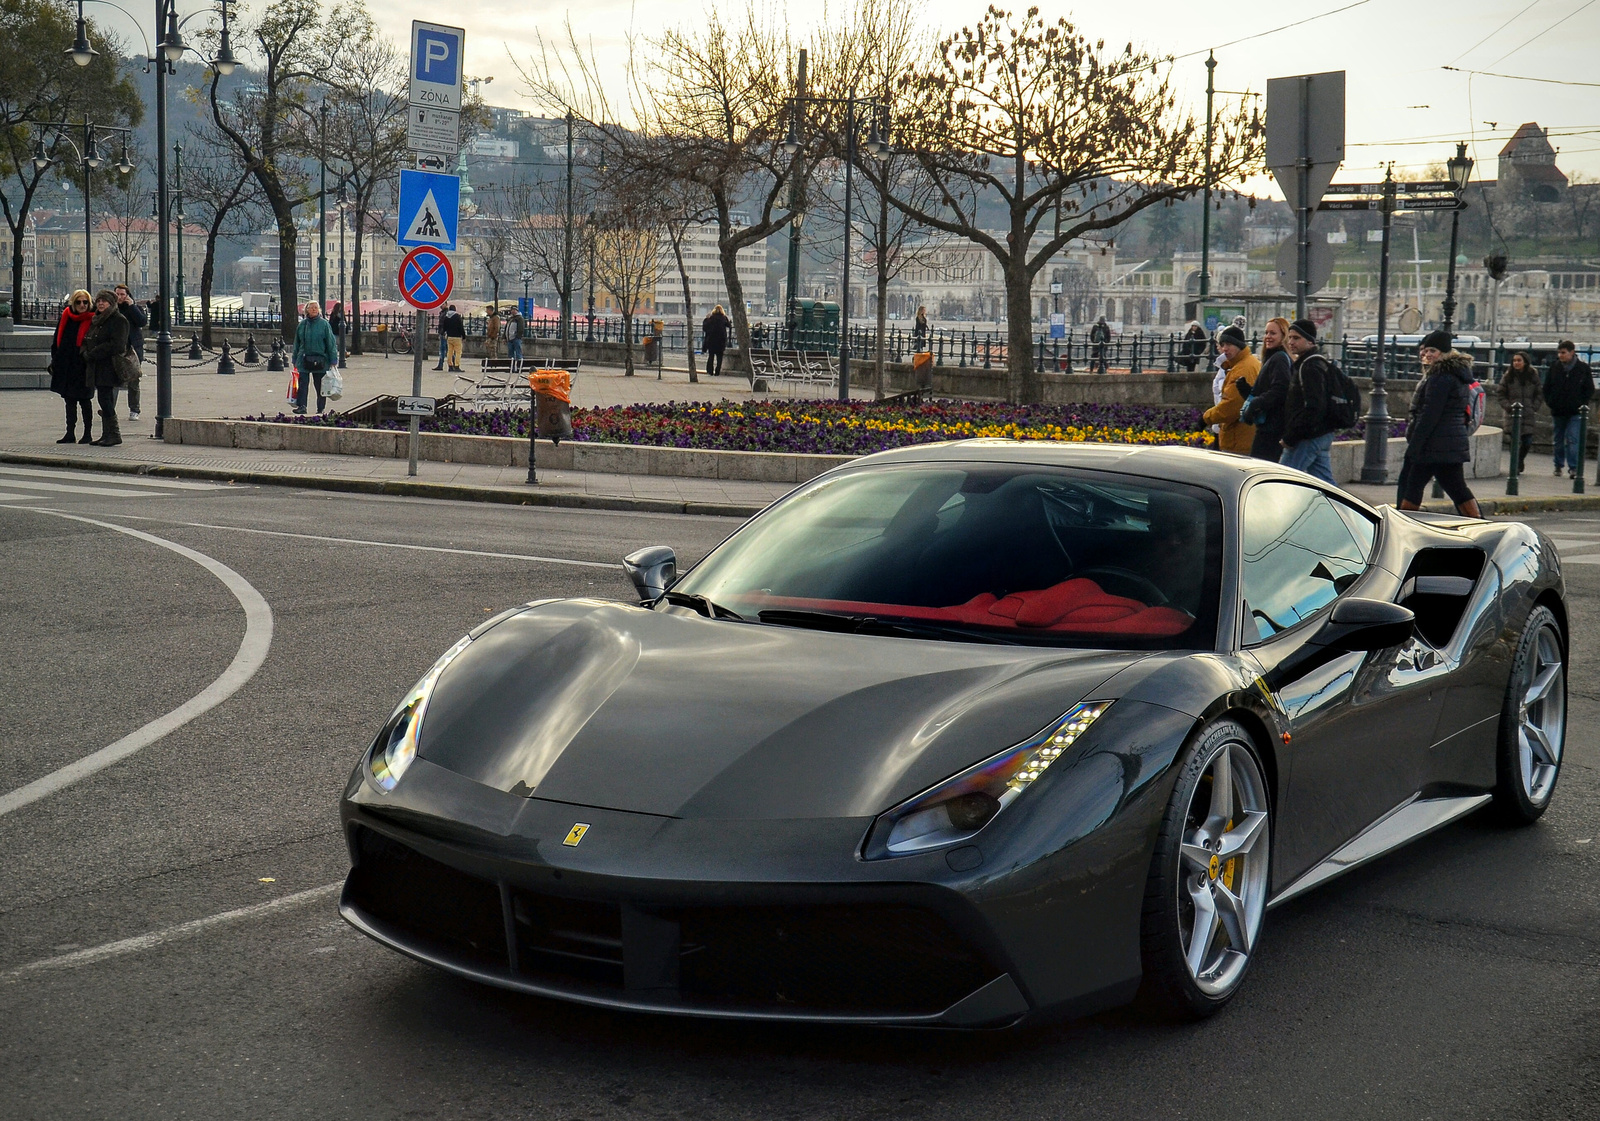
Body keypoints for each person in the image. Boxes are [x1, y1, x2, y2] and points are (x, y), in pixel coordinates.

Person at [1397, 346, 1481, 517]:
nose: (1427, 355)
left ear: (1443, 354)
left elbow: (1429, 414)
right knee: (1457, 489)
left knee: (1412, 486)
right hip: (1448, 443)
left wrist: (1415, 444)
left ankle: (1401, 525)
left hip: (1433, 444)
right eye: (1424, 350)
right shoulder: (1457, 376)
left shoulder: (1440, 378)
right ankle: (1480, 523)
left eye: (1432, 351)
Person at [1279, 318, 1338, 484]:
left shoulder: (1310, 367)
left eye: (1296, 338)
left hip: (1308, 437)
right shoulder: (1315, 362)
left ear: (1310, 341)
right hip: (1320, 434)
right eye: (1290, 338)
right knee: (1326, 485)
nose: (1291, 342)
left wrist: (1291, 436)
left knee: (1282, 481)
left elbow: (1314, 407)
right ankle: (1340, 509)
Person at [81, 289, 130, 446]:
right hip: (97, 365)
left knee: (106, 400)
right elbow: (88, 337)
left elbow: (117, 345)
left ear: (111, 303)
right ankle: (106, 434)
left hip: (109, 366)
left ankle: (114, 434)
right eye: (99, 300)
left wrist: (94, 352)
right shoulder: (97, 319)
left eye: (104, 301)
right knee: (103, 399)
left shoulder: (118, 320)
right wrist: (84, 351)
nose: (100, 303)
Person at [1202, 324, 1259, 453]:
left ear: (1239, 345)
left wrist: (1206, 418)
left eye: (1229, 344)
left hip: (1238, 439)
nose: (1225, 349)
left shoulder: (1243, 369)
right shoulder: (1242, 364)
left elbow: (1232, 406)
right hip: (1240, 436)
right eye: (1222, 345)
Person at [1242, 317, 1292, 461]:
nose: (1268, 337)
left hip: (1272, 427)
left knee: (1261, 465)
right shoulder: (1273, 357)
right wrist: (1246, 390)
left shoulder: (1279, 358)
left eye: (1273, 333)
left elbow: (1280, 389)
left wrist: (1255, 403)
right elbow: (1267, 390)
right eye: (1266, 333)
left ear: (1283, 336)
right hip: (1270, 425)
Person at [50, 290, 96, 444]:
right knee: (69, 401)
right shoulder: (66, 317)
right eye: (78, 302)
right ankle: (70, 433)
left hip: (84, 366)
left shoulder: (93, 319)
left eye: (85, 302)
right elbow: (57, 339)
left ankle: (87, 433)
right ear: (73, 303)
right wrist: (56, 359)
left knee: (85, 401)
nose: (82, 305)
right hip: (67, 366)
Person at [1543, 340, 1593, 478]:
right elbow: (1547, 387)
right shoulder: (1555, 367)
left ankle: (1573, 467)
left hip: (1575, 411)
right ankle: (1558, 465)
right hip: (1558, 410)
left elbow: (1589, 389)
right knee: (1558, 440)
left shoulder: (1583, 369)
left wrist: (1582, 403)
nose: (1560, 356)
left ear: (1572, 353)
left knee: (1573, 439)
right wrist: (1551, 402)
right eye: (1559, 353)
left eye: (1563, 353)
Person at [1498, 350, 1542, 474]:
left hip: (1528, 413)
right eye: (1514, 361)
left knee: (1527, 441)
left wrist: (1534, 407)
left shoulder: (1533, 376)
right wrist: (1508, 407)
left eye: (1519, 360)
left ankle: (1519, 460)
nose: (1516, 363)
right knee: (1514, 441)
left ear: (1525, 362)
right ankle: (1515, 465)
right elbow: (1500, 394)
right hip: (1512, 413)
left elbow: (1539, 393)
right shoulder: (1508, 376)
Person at [291, 300, 339, 414]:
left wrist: (333, 359)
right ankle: (302, 406)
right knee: (302, 384)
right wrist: (294, 358)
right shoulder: (302, 325)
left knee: (320, 386)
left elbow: (330, 343)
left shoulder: (324, 324)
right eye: (311, 307)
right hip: (303, 359)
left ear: (319, 310)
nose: (313, 309)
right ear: (307, 309)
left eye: (316, 307)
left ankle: (320, 408)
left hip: (320, 359)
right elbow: (296, 343)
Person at [114, 284, 146, 421]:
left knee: (133, 381)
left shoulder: (135, 308)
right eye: (117, 294)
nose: (120, 297)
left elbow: (142, 322)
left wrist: (132, 306)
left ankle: (134, 409)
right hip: (116, 349)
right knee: (113, 381)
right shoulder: (112, 310)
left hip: (132, 350)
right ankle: (109, 409)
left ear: (128, 295)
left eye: (122, 294)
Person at [702, 304, 731, 376]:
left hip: (712, 340)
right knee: (719, 357)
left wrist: (706, 319)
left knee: (711, 356)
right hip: (721, 340)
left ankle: (710, 371)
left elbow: (705, 328)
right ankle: (717, 371)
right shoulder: (723, 318)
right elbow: (729, 325)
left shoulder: (711, 318)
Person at [439, 304, 466, 372]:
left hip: (449, 337)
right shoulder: (457, 317)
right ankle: (456, 365)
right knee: (458, 352)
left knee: (449, 352)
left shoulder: (446, 317)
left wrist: (443, 333)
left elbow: (444, 327)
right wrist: (464, 336)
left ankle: (450, 365)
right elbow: (461, 327)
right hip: (457, 337)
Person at [328, 301, 346, 367]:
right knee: (336, 343)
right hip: (336, 331)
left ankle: (343, 354)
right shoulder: (335, 314)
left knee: (339, 343)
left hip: (338, 331)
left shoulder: (340, 314)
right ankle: (340, 355)